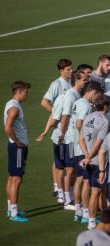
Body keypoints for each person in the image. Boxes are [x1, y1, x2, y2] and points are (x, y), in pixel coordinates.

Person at [70, 82, 102, 223]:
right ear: (93, 92)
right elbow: (79, 124)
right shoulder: (85, 105)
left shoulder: (77, 102)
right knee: (87, 181)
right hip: (84, 149)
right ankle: (85, 213)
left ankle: (78, 211)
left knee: (79, 179)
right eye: (98, 96)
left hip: (76, 147)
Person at [79, 94, 110, 230]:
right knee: (96, 192)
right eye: (109, 105)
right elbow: (98, 144)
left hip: (88, 161)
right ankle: (92, 222)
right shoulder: (104, 121)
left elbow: (80, 139)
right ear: (105, 107)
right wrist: (90, 157)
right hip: (98, 162)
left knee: (97, 191)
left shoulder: (88, 118)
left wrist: (86, 155)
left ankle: (94, 219)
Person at [40, 59, 73, 197]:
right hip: (61, 127)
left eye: (71, 69)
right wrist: (57, 115)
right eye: (68, 69)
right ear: (61, 71)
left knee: (61, 159)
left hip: (68, 127)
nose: (71, 71)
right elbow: (44, 102)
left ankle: (59, 188)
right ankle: (58, 188)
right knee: (60, 160)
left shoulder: (70, 82)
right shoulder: (57, 84)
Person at [60, 71, 89, 210]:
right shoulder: (71, 95)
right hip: (71, 137)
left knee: (74, 170)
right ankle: (67, 200)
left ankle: (71, 197)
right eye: (84, 79)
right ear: (76, 80)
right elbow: (65, 116)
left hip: (74, 136)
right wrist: (62, 134)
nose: (86, 81)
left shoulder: (77, 94)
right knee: (70, 169)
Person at [4, 81, 31, 222]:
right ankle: (14, 213)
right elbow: (7, 128)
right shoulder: (14, 108)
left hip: (14, 147)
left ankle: (10, 209)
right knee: (17, 179)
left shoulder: (11, 104)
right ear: (19, 91)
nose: (27, 94)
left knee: (11, 177)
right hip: (18, 148)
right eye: (26, 92)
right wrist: (17, 141)